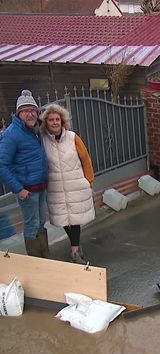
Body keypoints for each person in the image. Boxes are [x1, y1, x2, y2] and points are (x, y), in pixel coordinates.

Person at [39, 104, 95, 264]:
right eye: (51, 120)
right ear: (46, 122)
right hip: (55, 188)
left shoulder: (72, 137)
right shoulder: (42, 141)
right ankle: (76, 246)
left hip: (75, 184)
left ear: (62, 121)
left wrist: (89, 180)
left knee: (75, 219)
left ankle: (75, 251)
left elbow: (86, 159)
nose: (55, 122)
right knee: (64, 219)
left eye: (57, 119)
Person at [0, 89, 50, 257]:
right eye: (26, 111)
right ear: (18, 113)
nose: (30, 114)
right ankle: (36, 262)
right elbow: (2, 165)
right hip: (27, 190)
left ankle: (45, 258)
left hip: (41, 186)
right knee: (32, 225)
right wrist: (18, 189)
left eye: (33, 111)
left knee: (41, 223)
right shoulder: (12, 134)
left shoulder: (36, 130)